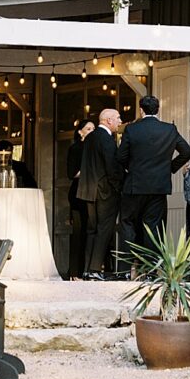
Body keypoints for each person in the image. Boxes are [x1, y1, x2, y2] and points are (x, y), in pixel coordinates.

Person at [116, 93, 189, 269]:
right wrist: (169, 168)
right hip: (158, 187)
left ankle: (124, 270)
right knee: (153, 228)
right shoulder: (169, 129)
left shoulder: (131, 129)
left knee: (128, 225)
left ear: (141, 110)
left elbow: (120, 156)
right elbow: (187, 151)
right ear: (158, 110)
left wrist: (131, 168)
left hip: (134, 186)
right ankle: (150, 270)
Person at [77, 106, 123, 279]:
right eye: (118, 118)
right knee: (104, 229)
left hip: (88, 191)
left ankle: (87, 270)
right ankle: (95, 269)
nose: (120, 121)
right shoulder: (106, 138)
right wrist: (118, 186)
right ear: (109, 120)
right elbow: (111, 166)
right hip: (104, 191)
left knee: (92, 230)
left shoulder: (90, 137)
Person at [65, 119, 95, 279]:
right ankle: (75, 272)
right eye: (88, 129)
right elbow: (71, 173)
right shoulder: (76, 148)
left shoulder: (94, 147)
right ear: (80, 132)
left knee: (90, 232)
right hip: (78, 193)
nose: (92, 131)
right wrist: (91, 171)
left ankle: (87, 270)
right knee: (79, 232)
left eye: (93, 128)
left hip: (92, 193)